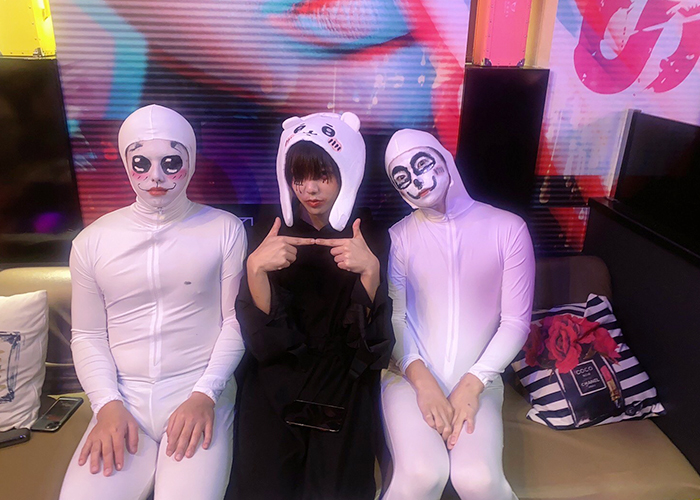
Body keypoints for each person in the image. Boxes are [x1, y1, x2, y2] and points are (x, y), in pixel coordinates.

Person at [60, 105, 247, 500]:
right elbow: (88, 334)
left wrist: (206, 393)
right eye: (141, 163)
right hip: (121, 398)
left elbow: (235, 321)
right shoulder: (91, 241)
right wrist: (106, 403)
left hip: (199, 390)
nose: (156, 176)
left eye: (171, 162)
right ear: (126, 163)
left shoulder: (225, 229)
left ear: (190, 162)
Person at [227, 111, 394, 500]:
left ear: (346, 172)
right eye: (298, 177)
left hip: (342, 386)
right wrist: (256, 270)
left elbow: (369, 346)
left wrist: (370, 273)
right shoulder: (267, 232)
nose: (310, 189)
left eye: (323, 175)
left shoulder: (369, 235)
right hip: (276, 384)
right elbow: (263, 341)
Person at [380, 129, 535, 500]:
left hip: (481, 378)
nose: (417, 181)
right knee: (421, 474)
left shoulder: (508, 229)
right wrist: (422, 382)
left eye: (422, 164)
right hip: (407, 376)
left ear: (444, 159)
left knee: (477, 478)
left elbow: (516, 322)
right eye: (402, 177)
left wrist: (473, 383)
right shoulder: (400, 237)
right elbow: (395, 318)